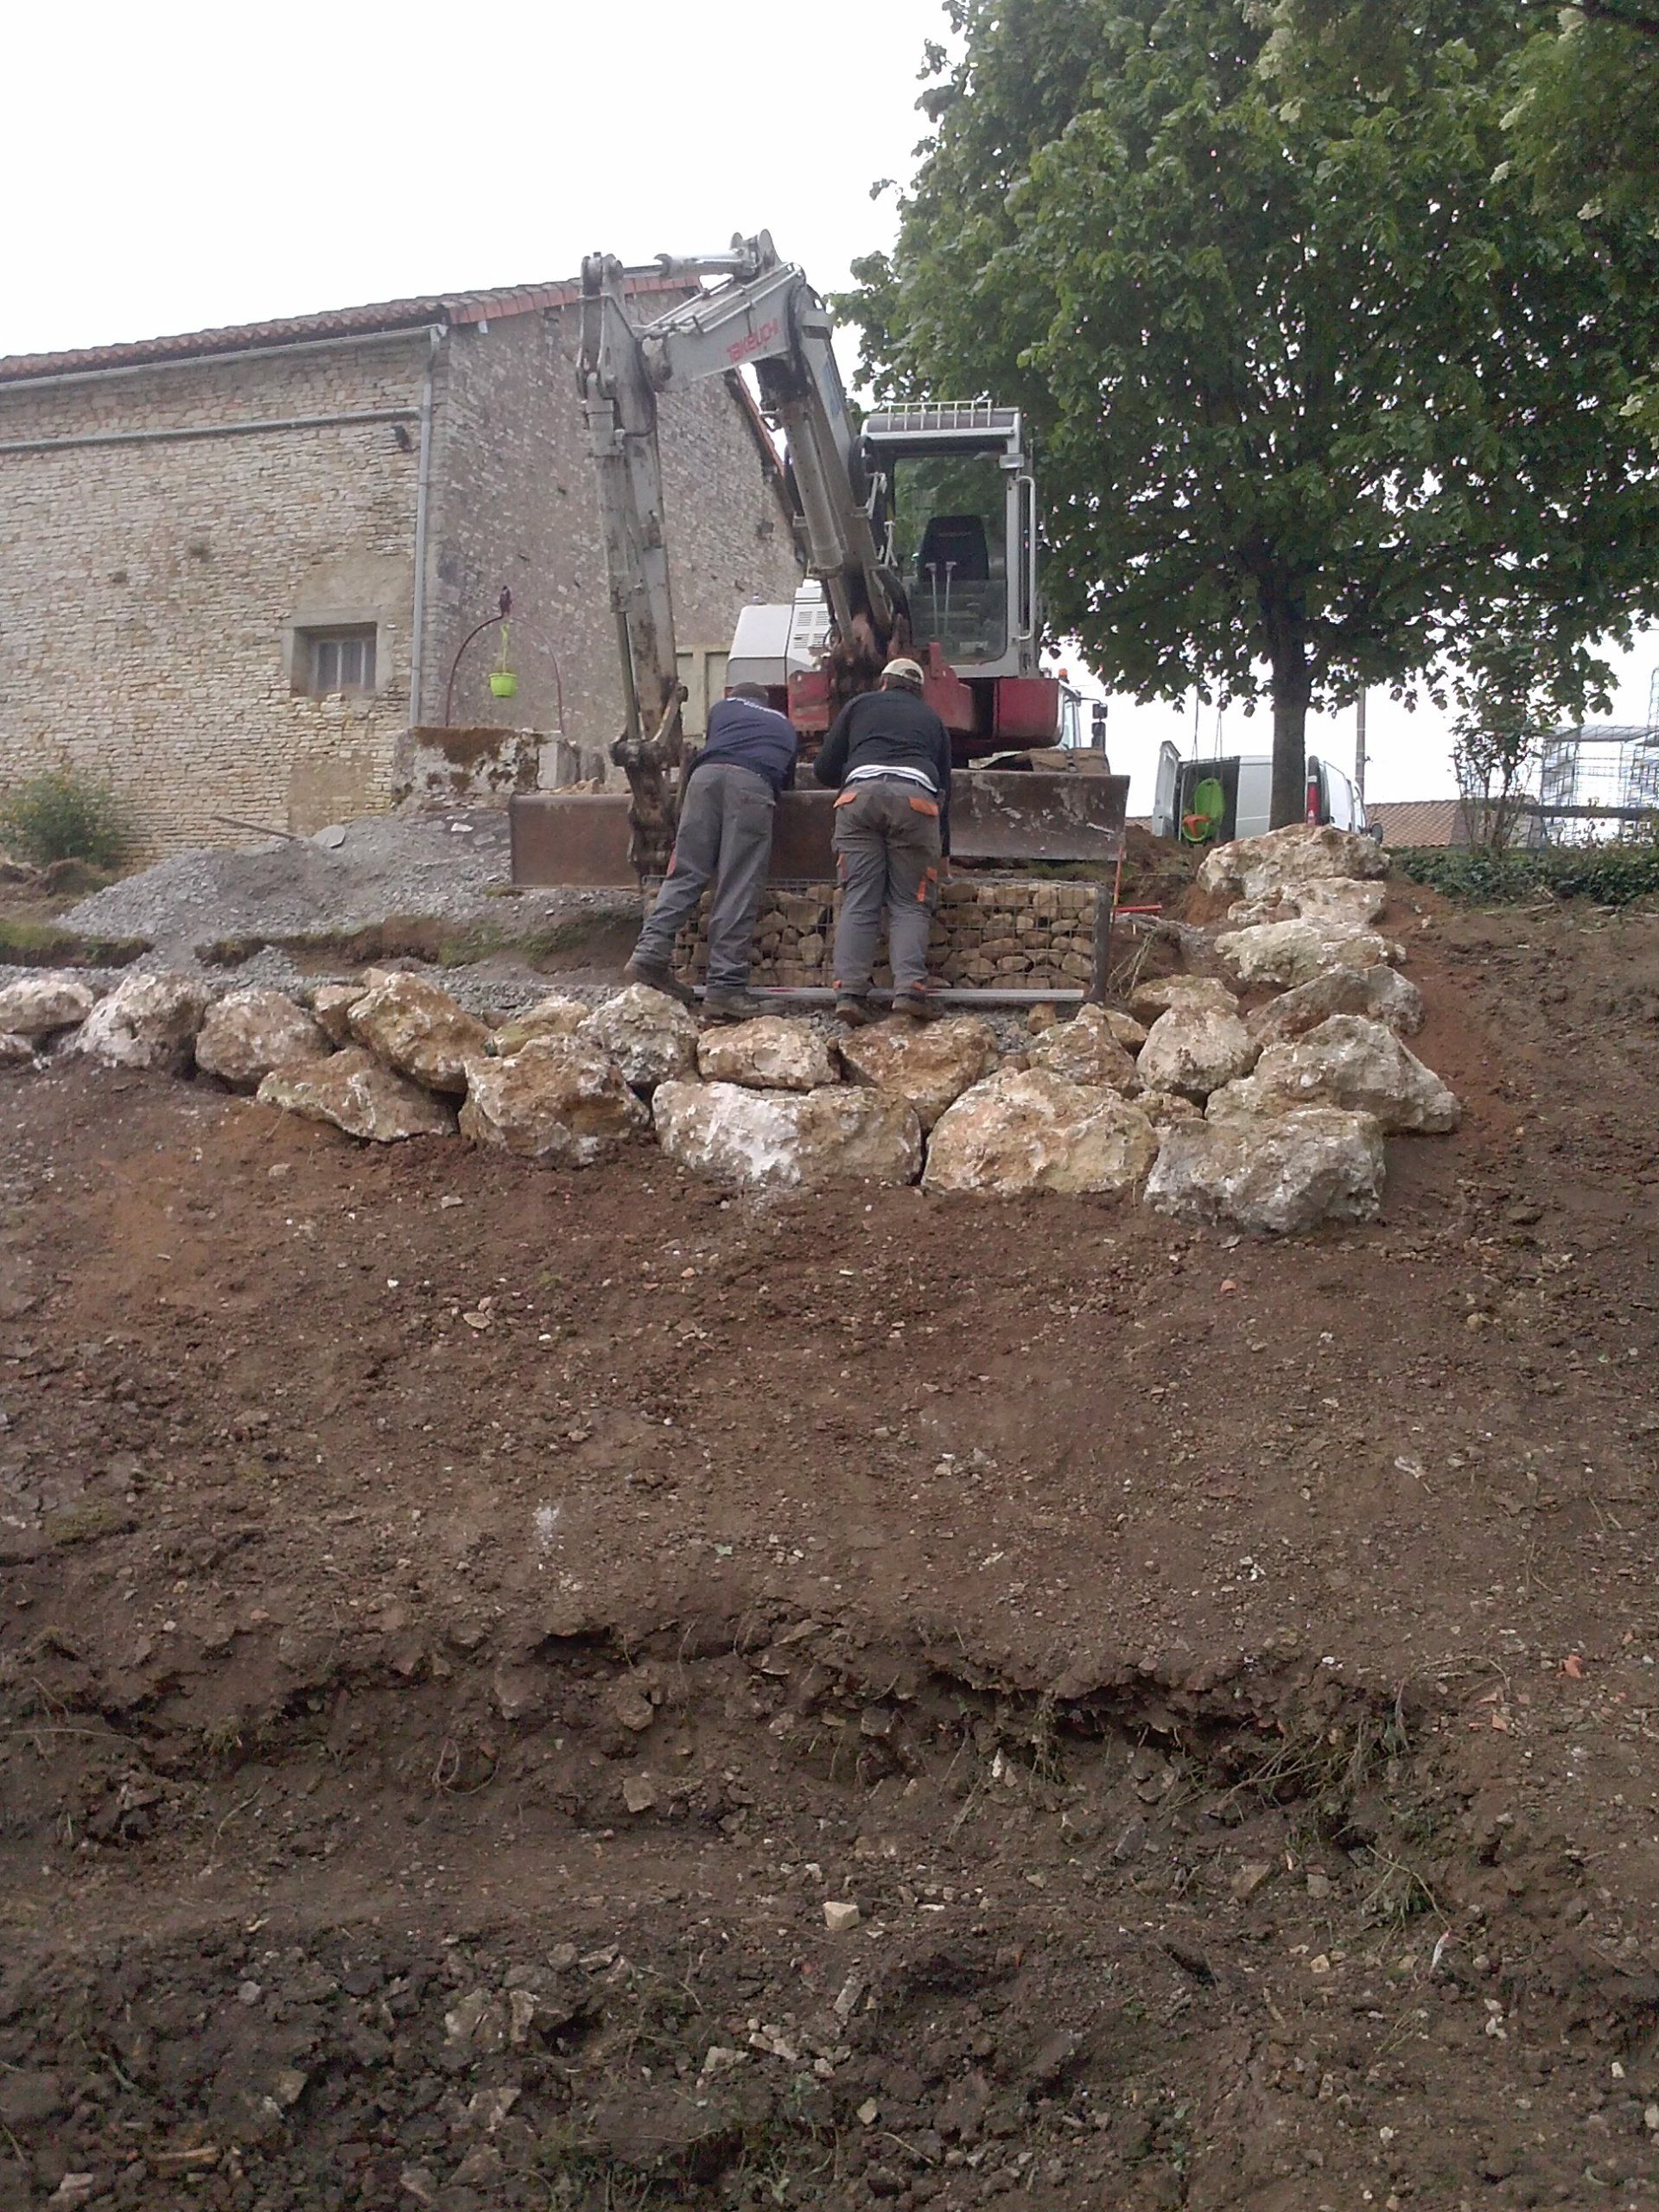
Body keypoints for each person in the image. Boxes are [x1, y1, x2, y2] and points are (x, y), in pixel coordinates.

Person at [623, 682, 798, 1020]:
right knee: (737, 884)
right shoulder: (784, 725)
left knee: (685, 872)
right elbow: (786, 782)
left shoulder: (722, 711)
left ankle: (649, 955)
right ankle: (725, 988)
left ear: (736, 698)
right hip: (752, 784)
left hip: (703, 781)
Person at [812, 657, 952, 1025]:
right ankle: (909, 991)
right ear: (918, 691)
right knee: (909, 902)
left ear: (884, 683)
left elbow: (824, 768)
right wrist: (945, 848)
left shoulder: (860, 706)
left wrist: (859, 773)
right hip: (916, 801)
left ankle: (850, 994)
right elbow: (944, 789)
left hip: (858, 800)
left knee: (860, 897)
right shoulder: (932, 720)